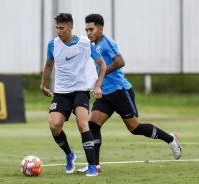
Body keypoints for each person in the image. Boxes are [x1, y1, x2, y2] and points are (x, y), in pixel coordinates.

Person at [77, 13, 182, 173]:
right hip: (105, 94)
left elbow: (120, 61)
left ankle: (170, 139)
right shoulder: (90, 46)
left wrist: (102, 73)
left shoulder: (107, 43)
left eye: (91, 29)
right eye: (86, 30)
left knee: (135, 128)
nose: (89, 33)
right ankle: (95, 165)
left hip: (120, 91)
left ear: (100, 29)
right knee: (93, 125)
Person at [40, 13, 107, 176]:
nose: (58, 31)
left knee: (82, 123)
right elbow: (49, 66)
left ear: (70, 27)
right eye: (57, 28)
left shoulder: (84, 43)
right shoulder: (53, 45)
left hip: (80, 90)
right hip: (62, 92)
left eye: (62, 28)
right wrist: (42, 85)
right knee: (54, 125)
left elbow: (102, 65)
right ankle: (69, 154)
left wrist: (98, 85)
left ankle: (92, 166)